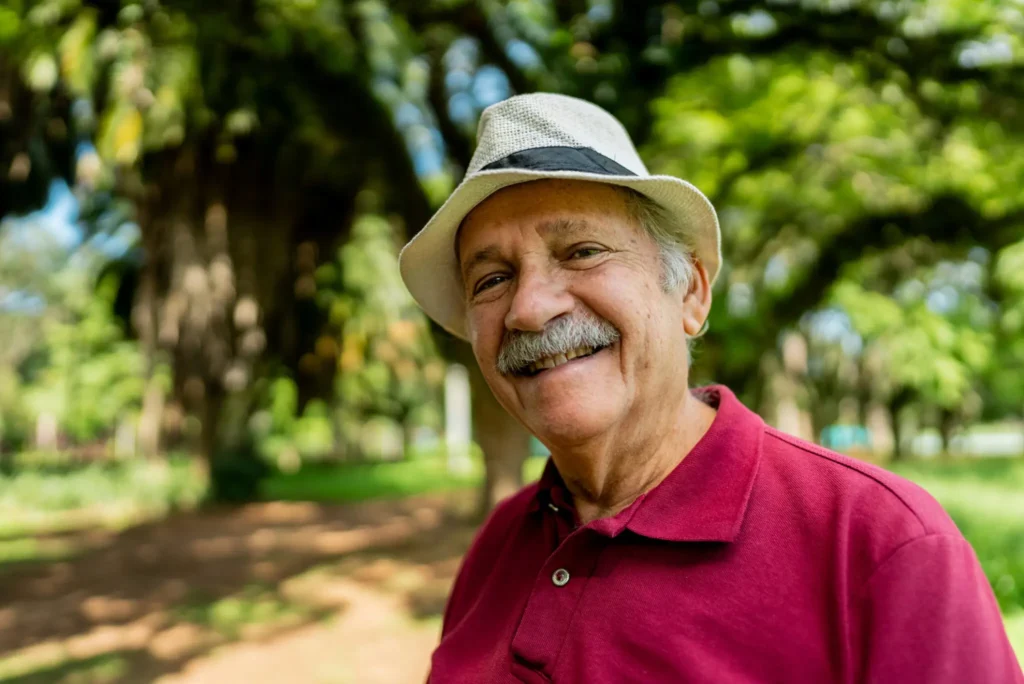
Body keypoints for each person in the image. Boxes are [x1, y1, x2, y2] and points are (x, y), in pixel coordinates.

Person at [398, 93, 1022, 683]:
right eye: (491, 279)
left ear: (691, 294)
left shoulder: (882, 544)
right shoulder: (501, 542)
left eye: (582, 250)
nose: (528, 309)